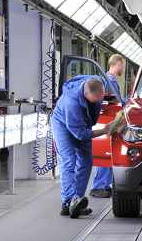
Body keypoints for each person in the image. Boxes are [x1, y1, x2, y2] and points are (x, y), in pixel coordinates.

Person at [52, 75, 124, 218]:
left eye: (101, 98)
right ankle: (68, 203)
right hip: (63, 126)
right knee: (68, 161)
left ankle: (76, 202)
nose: (98, 101)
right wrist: (105, 130)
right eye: (96, 99)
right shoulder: (71, 103)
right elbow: (80, 134)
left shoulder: (98, 81)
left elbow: (106, 96)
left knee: (86, 161)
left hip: (83, 123)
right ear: (86, 94)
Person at [90, 54, 127, 198]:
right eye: (123, 65)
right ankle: (98, 186)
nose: (123, 68)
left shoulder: (110, 81)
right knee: (106, 154)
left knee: (110, 154)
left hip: (112, 121)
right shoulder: (107, 81)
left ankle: (105, 185)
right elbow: (112, 101)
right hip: (108, 121)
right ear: (117, 64)